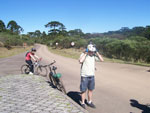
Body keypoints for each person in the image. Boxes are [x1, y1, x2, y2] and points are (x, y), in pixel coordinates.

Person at [79, 44, 104, 109]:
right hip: (84, 76)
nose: (92, 53)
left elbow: (102, 60)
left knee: (90, 90)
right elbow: (80, 61)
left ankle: (89, 102)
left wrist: (97, 52)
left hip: (92, 76)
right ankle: (83, 102)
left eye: (93, 52)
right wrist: (86, 53)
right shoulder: (84, 55)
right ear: (88, 50)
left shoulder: (93, 56)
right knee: (83, 90)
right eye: (91, 51)